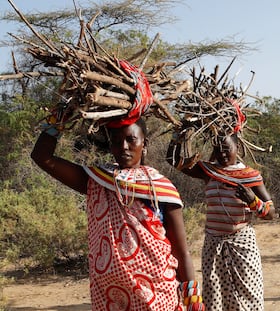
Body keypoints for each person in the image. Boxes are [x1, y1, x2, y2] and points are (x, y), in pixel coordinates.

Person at [31, 61, 204, 310]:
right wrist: (60, 116)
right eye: (116, 141)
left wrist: (193, 299)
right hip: (110, 297)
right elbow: (42, 158)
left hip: (157, 294)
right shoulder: (98, 180)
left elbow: (181, 251)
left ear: (144, 144)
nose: (123, 147)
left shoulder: (161, 188)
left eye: (131, 140)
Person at [167, 132, 276, 311]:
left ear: (238, 148)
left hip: (242, 245)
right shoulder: (208, 171)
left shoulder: (250, 176)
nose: (222, 154)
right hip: (213, 244)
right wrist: (181, 134)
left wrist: (253, 201)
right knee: (214, 295)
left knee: (248, 296)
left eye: (226, 149)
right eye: (217, 150)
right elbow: (174, 161)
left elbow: (271, 213)